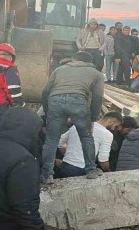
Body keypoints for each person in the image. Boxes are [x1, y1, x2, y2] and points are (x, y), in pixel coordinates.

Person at [40, 51, 105, 183]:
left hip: (55, 100)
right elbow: (98, 97)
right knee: (86, 137)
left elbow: (45, 91)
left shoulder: (59, 70)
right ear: (90, 62)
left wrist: (47, 111)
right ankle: (91, 170)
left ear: (73, 60)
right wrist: (93, 117)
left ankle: (47, 175)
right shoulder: (97, 74)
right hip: (78, 100)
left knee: (51, 140)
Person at [57, 111, 122, 178]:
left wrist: (66, 153)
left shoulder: (78, 126)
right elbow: (103, 159)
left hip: (65, 165)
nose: (114, 128)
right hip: (81, 169)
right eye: (115, 126)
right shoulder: (107, 134)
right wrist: (109, 173)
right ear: (111, 122)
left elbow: (60, 141)